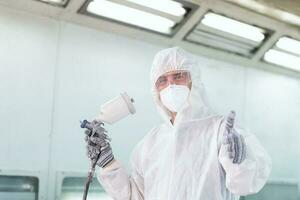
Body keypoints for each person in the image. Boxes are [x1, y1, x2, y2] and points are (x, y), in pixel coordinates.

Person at [85, 47, 272, 200]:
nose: (170, 85)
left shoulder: (222, 131)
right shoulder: (151, 142)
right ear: (155, 89)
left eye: (178, 76)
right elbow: (135, 197)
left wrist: (239, 164)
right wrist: (108, 164)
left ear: (193, 81)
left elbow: (245, 184)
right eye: (162, 80)